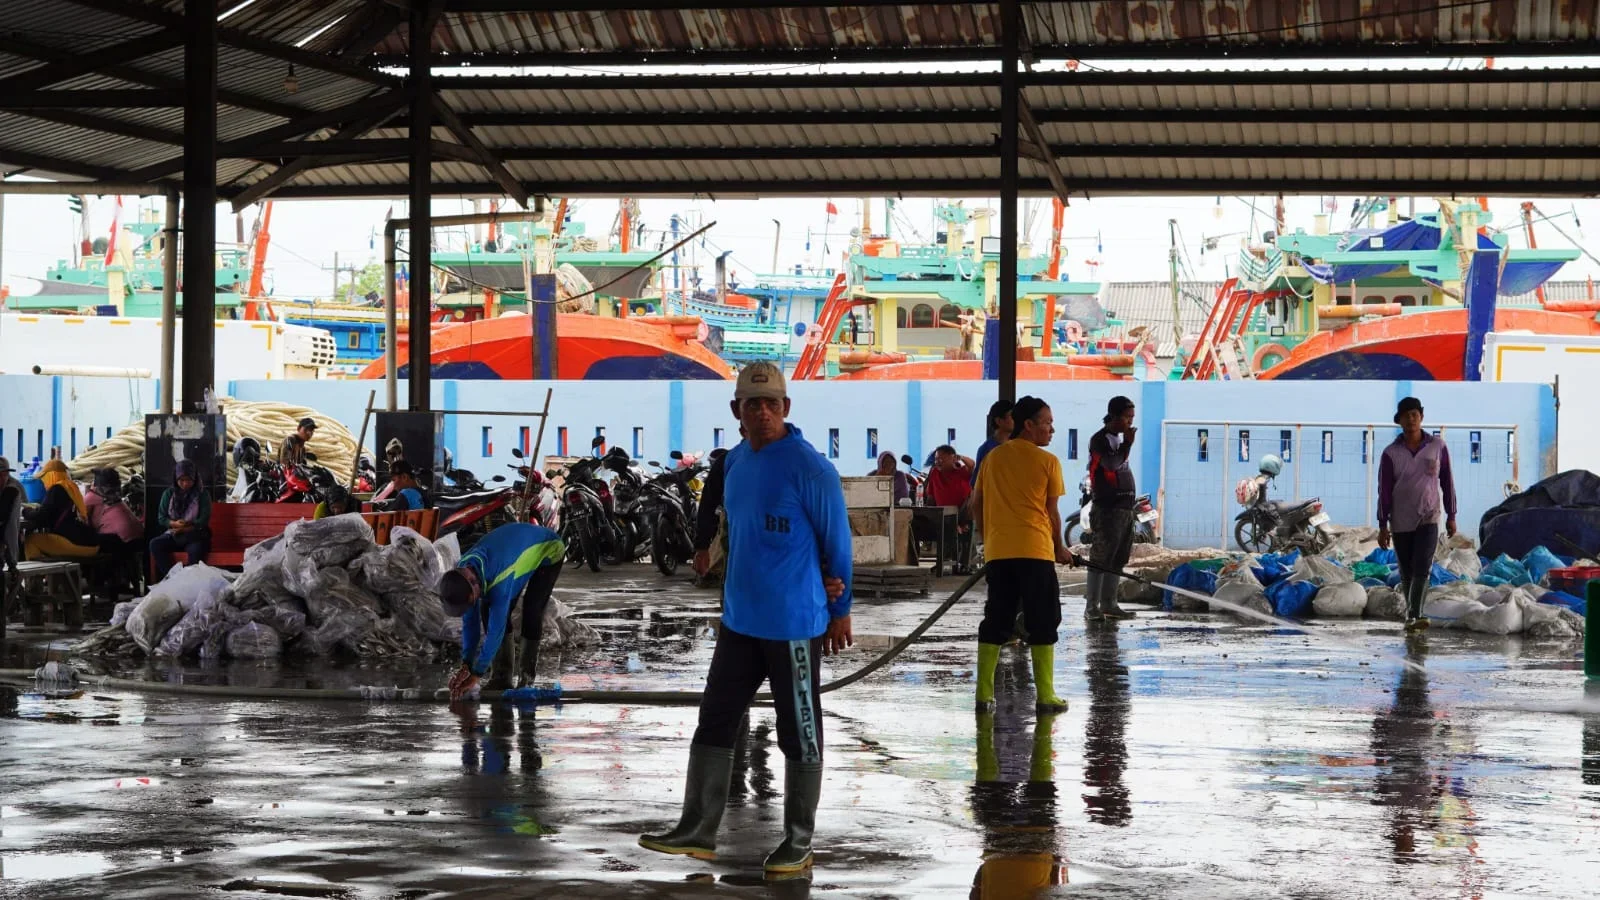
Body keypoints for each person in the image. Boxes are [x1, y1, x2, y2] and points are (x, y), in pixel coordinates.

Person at [640, 361, 854, 876]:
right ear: (736, 411)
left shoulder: (810, 468)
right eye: (751, 404)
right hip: (739, 622)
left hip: (794, 625)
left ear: (786, 408)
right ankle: (697, 830)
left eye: (771, 403)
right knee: (714, 720)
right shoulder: (734, 463)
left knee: (799, 732)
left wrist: (840, 611)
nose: (762, 412)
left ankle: (799, 842)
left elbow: (838, 544)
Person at [969, 396, 1074, 715]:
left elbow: (976, 504)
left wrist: (990, 540)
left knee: (997, 620)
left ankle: (984, 695)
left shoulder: (992, 458)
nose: (1052, 429)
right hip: (1035, 551)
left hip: (1000, 553)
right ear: (1028, 425)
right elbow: (1052, 512)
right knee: (1043, 620)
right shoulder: (1048, 462)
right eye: (1047, 422)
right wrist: (1060, 548)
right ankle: (1046, 696)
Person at [438, 522, 567, 698]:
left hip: (549, 550)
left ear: (474, 584)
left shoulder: (500, 581)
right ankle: (501, 678)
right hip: (515, 553)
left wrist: (477, 673)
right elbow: (471, 624)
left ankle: (526, 680)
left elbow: (496, 631)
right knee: (485, 608)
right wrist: (466, 664)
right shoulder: (463, 571)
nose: (469, 605)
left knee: (531, 611)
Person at [1378, 397, 1457, 633]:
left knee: (1423, 564)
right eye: (1406, 416)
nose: (1411, 419)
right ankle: (1412, 615)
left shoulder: (1437, 447)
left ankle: (1415, 615)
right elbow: (1384, 491)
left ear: (1421, 417)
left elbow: (1447, 481)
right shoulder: (1390, 453)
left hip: (1429, 515)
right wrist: (1382, 524)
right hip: (1400, 519)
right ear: (1399, 421)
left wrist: (1452, 515)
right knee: (1408, 569)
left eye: (1415, 414)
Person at [1083, 396, 1139, 621]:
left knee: (1117, 558)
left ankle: (1110, 604)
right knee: (1100, 558)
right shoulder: (1100, 439)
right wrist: (1128, 444)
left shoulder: (1119, 439)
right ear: (1114, 416)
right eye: (1127, 417)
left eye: (1132, 417)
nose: (1130, 422)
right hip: (1107, 508)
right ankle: (1091, 607)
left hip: (1125, 508)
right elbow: (1111, 464)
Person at [23, 459, 99, 561]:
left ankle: (37, 575)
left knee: (31, 540)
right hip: (91, 543)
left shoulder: (57, 489)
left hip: (75, 544)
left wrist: (25, 511)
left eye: (45, 477)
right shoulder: (71, 487)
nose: (43, 481)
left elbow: (41, 516)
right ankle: (55, 576)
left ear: (52, 475)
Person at [149, 459, 211, 580]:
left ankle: (191, 581)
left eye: (188, 480)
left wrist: (185, 527)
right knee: (155, 544)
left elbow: (203, 520)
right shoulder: (169, 493)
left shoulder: (202, 495)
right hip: (173, 534)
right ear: (176, 479)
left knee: (196, 550)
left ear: (194, 479)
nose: (185, 484)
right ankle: (174, 579)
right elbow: (162, 518)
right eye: (181, 480)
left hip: (194, 535)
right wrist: (174, 524)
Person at [971, 399, 1014, 486]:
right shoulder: (986, 449)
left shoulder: (1017, 445)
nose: (1016, 420)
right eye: (1012, 416)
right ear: (999, 421)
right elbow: (977, 484)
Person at [0, 458, 21, 566]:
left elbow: (11, 527)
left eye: (5, 474)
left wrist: (12, 562)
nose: (3, 478)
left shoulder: (12, 492)